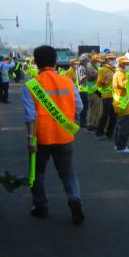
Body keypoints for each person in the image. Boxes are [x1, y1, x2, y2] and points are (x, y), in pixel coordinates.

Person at [22, 45, 84, 225]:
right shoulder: (68, 83)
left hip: (40, 137)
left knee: (38, 173)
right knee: (68, 173)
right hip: (64, 135)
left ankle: (40, 206)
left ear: (35, 62)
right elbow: (79, 107)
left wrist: (29, 140)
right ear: (56, 61)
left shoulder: (31, 85)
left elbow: (29, 115)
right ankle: (75, 202)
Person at [112, 55, 129, 153]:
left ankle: (118, 145)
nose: (128, 65)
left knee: (119, 125)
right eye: (127, 63)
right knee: (125, 126)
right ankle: (122, 147)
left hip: (119, 103)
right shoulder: (120, 74)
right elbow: (126, 85)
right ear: (122, 64)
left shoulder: (118, 73)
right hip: (123, 104)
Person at [95, 53, 117, 140]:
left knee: (114, 116)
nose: (113, 60)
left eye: (114, 59)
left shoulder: (115, 69)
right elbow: (98, 83)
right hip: (107, 96)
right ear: (107, 60)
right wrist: (105, 81)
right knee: (105, 114)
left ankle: (109, 133)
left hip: (115, 96)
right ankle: (99, 132)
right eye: (111, 59)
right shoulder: (103, 70)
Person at [86, 54, 102, 131]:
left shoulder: (96, 67)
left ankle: (94, 124)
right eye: (98, 61)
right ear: (94, 60)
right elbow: (90, 77)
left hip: (97, 91)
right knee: (93, 109)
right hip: (92, 91)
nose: (99, 62)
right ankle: (91, 125)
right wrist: (99, 74)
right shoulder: (89, 66)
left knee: (96, 109)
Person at [76, 54, 91, 128]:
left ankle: (83, 122)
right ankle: (83, 123)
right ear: (84, 61)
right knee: (84, 107)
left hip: (83, 90)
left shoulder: (81, 67)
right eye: (87, 60)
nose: (88, 62)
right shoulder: (82, 68)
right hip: (82, 90)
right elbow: (81, 79)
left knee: (85, 107)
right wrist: (87, 74)